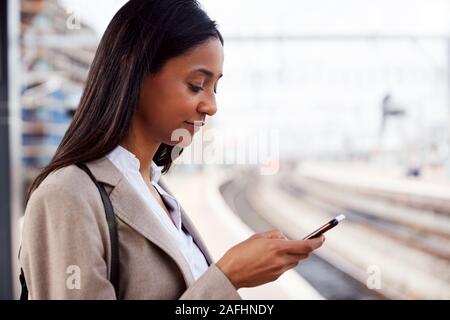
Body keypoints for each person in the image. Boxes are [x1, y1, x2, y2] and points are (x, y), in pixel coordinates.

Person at [19, 0, 325, 299]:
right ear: (134, 71)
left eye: (214, 87)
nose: (212, 106)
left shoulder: (154, 187)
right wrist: (229, 276)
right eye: (196, 85)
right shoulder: (67, 195)